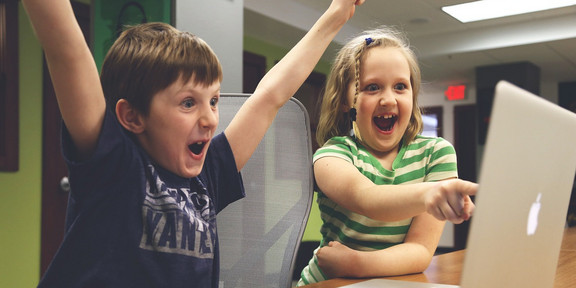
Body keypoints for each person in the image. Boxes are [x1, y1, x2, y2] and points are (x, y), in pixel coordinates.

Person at [22, 0, 366, 287]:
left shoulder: (207, 176)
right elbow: (65, 49)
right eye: (189, 103)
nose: (210, 119)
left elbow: (270, 95)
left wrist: (335, 14)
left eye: (213, 101)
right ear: (132, 117)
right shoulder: (114, 164)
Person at [297, 27, 478, 286]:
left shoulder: (437, 154)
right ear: (345, 101)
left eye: (401, 87)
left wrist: (356, 264)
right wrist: (430, 194)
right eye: (372, 87)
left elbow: (420, 251)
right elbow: (368, 198)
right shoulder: (331, 156)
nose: (388, 99)